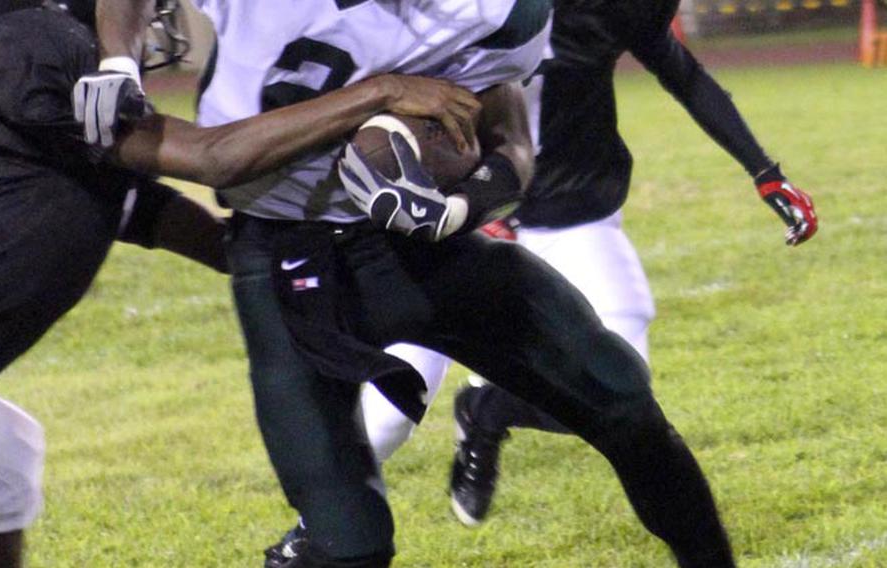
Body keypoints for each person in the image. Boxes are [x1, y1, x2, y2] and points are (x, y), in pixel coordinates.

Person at [81, 1, 738, 567]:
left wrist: (461, 206)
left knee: (621, 400)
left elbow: (511, 138)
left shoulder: (503, 11)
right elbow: (216, 161)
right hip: (288, 258)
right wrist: (117, 60)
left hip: (423, 247)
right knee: (351, 544)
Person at [0, 1, 477, 567]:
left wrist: (299, 256)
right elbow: (210, 158)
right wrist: (379, 92)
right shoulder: (38, 43)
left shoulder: (44, 106)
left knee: (6, 457)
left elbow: (144, 210)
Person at [350, 0, 821, 530]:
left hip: (573, 219)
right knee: (389, 414)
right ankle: (315, 534)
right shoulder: (453, 10)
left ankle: (488, 412)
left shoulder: (610, 8)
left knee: (624, 384)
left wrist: (764, 171)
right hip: (454, 227)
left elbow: (683, 74)